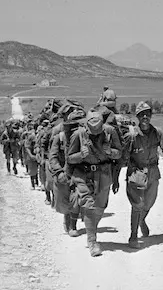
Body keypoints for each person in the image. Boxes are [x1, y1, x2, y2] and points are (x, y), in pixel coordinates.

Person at [67, 110, 122, 257]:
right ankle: (92, 242)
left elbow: (120, 154)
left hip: (104, 174)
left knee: (100, 206)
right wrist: (80, 155)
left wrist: (110, 151)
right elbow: (70, 158)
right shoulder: (78, 134)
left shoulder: (110, 132)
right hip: (84, 175)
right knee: (89, 205)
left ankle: (91, 228)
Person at [120, 101, 163, 249]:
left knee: (149, 202)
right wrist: (116, 178)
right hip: (136, 172)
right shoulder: (132, 135)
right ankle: (133, 236)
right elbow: (123, 158)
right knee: (137, 204)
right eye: (142, 114)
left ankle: (141, 220)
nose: (145, 117)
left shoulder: (158, 133)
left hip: (153, 172)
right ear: (137, 117)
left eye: (147, 114)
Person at [48, 104, 86, 235]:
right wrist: (58, 172)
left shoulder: (84, 138)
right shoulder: (59, 137)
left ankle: (73, 226)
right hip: (63, 174)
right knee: (64, 201)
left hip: (79, 173)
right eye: (73, 125)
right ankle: (67, 219)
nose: (75, 128)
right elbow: (52, 157)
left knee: (77, 198)